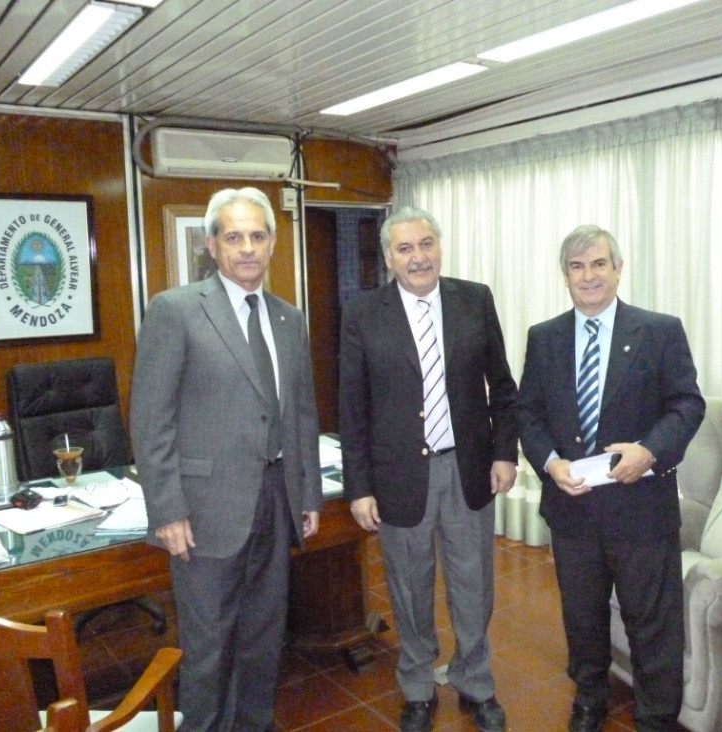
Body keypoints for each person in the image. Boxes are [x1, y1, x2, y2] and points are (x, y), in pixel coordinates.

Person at [130, 187, 322, 732]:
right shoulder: (176, 311)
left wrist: (306, 494)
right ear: (212, 245)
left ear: (273, 244)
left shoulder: (288, 318)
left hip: (275, 502)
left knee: (264, 638)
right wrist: (166, 510)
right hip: (205, 510)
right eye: (233, 236)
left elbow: (301, 414)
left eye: (257, 236)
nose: (247, 249)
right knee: (209, 646)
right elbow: (151, 420)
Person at [516, 225, 705, 732]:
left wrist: (649, 451)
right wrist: (550, 463)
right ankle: (590, 698)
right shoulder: (545, 337)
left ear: (618, 268)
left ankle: (657, 715)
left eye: (599, 264)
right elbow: (527, 414)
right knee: (582, 616)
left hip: (642, 506)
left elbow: (687, 405)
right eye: (577, 267)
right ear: (565, 277)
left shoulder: (660, 330)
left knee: (652, 622)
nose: (589, 276)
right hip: (572, 508)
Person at [338, 206, 518, 732]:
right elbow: (352, 407)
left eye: (426, 244)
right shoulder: (362, 314)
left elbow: (502, 387)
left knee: (473, 585)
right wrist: (360, 486)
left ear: (440, 245)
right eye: (405, 248)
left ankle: (474, 681)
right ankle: (417, 685)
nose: (418, 257)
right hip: (398, 477)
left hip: (469, 472)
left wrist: (505, 452)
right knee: (409, 588)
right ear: (388, 258)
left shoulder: (474, 299)